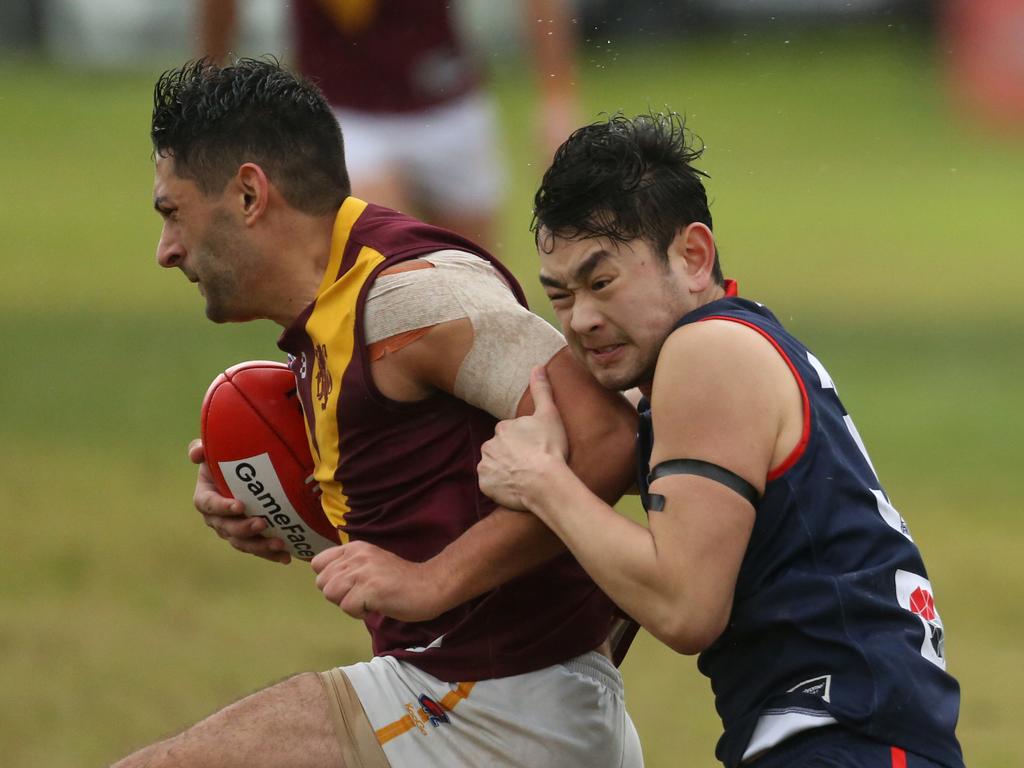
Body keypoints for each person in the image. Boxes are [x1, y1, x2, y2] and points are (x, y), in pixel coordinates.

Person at [116, 58, 642, 768]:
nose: (165, 250)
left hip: (493, 709)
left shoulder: (409, 298)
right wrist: (282, 508)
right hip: (473, 700)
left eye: (171, 213)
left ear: (248, 194)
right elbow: (433, 480)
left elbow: (606, 434)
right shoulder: (333, 313)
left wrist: (435, 582)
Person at [477, 113, 966, 768]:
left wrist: (542, 482)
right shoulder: (739, 343)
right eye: (560, 296)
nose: (583, 319)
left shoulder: (705, 353)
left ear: (693, 255)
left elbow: (685, 608)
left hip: (840, 740)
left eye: (602, 282)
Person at [199, 0, 580, 254]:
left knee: (479, 277)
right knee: (388, 267)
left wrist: (556, 96)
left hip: (446, 104)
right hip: (340, 109)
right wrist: (211, 87)